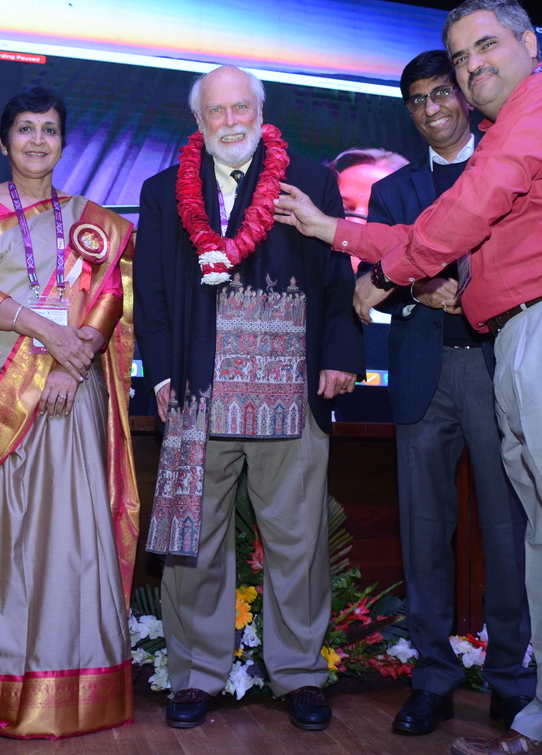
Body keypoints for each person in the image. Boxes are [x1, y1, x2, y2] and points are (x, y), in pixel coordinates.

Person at [274, 0, 542, 755]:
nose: (472, 65)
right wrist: (336, 230)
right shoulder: (500, 141)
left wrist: (384, 276)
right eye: (460, 55)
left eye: (486, 46)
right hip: (522, 334)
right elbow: (436, 228)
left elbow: (467, 209)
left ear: (528, 43)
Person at [135, 65, 363, 732]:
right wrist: (162, 376)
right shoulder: (161, 191)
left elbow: (338, 273)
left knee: (298, 542)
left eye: (241, 108)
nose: (230, 121)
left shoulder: (310, 180)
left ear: (260, 113)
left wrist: (341, 354)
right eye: (217, 111)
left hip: (291, 389)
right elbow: (151, 292)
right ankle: (196, 676)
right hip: (198, 390)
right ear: (199, 120)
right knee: (194, 544)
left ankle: (299, 675)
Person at [0, 86, 139, 739]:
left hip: (67, 390)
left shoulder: (89, 221)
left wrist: (67, 362)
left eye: (48, 130)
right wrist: (46, 331)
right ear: (4, 142)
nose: (36, 140)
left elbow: (107, 294)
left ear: (62, 143)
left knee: (70, 531)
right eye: (24, 129)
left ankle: (72, 681)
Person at [355, 51, 534, 737]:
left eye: (440, 94)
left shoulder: (508, 169)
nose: (431, 109)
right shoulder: (392, 192)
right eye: (417, 100)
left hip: (495, 369)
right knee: (424, 532)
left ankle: (513, 680)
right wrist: (417, 288)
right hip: (423, 373)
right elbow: (377, 279)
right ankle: (432, 679)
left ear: (464, 96)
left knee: (507, 532)